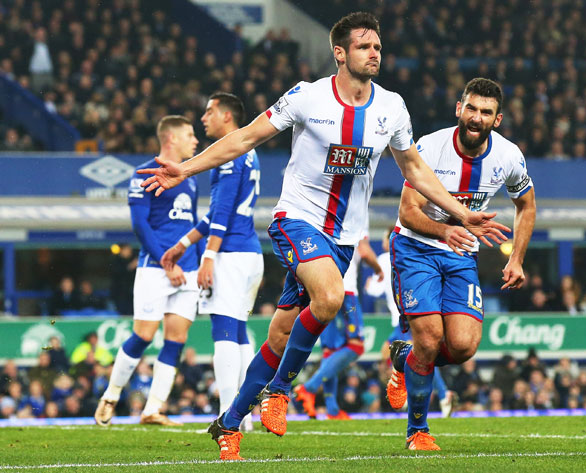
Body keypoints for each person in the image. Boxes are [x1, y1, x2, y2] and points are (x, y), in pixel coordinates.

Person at [138, 12, 508, 460]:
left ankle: (228, 424)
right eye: (365, 46)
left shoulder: (391, 107)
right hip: (296, 220)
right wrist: (185, 168)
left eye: (378, 46)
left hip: (344, 239)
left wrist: (460, 215)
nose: (375, 52)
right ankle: (279, 391)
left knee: (279, 335)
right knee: (330, 298)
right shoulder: (307, 97)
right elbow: (244, 139)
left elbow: (414, 168)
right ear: (340, 53)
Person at [386, 78, 536, 450]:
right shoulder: (430, 147)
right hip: (416, 247)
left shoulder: (508, 157)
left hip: (461, 254)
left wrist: (516, 257)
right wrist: (444, 231)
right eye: (471, 108)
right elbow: (407, 212)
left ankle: (407, 357)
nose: (476, 117)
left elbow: (527, 205)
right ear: (459, 109)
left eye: (485, 112)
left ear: (497, 119)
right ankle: (417, 432)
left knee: (465, 346)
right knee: (430, 337)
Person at [161, 93, 263, 431]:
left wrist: (207, 256)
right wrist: (181, 245)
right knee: (238, 332)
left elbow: (221, 215)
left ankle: (228, 415)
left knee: (223, 331)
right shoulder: (246, 152)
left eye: (209, 112)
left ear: (226, 116)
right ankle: (247, 412)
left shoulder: (230, 153)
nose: (203, 118)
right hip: (247, 253)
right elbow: (212, 216)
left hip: (231, 254)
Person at [94, 115, 200, 427]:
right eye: (190, 135)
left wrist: (199, 259)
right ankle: (111, 395)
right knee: (143, 335)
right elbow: (140, 224)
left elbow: (191, 223)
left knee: (176, 340)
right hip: (155, 268)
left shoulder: (190, 177)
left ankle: (152, 409)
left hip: (189, 269)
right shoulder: (143, 173)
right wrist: (166, 263)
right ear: (171, 139)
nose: (195, 141)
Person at [365, 226, 454, 417]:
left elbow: (373, 291)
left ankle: (439, 393)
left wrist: (368, 285)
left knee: (418, 354)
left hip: (404, 317)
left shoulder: (383, 259)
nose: (382, 242)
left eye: (383, 238)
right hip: (412, 312)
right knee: (391, 351)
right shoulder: (413, 256)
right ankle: (435, 393)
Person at [294, 228, 382, 420]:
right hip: (345, 289)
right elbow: (365, 251)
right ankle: (309, 387)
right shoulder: (357, 210)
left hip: (322, 289)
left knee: (331, 351)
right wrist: (378, 268)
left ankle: (332, 409)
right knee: (356, 346)